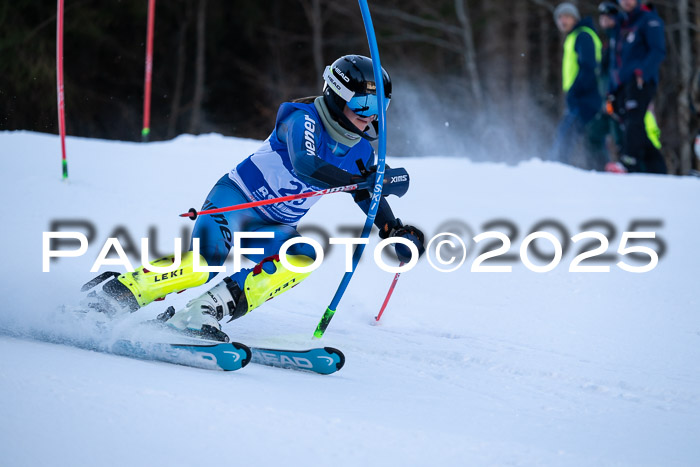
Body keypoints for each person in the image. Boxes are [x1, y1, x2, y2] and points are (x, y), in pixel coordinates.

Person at [82, 55, 425, 342]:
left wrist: (393, 230)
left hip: (275, 225)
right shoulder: (301, 118)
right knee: (206, 262)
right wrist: (359, 180)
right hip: (236, 204)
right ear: (337, 95)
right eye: (363, 102)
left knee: (303, 257)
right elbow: (305, 165)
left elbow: (369, 192)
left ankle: (203, 312)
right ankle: (115, 297)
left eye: (382, 104)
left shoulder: (362, 147)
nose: (372, 114)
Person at [608, 0, 667, 173]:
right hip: (623, 83)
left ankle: (628, 162)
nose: (627, 1)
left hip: (641, 80)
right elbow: (616, 58)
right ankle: (658, 168)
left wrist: (643, 72)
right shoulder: (623, 23)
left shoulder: (649, 20)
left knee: (634, 119)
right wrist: (613, 87)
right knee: (633, 125)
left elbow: (658, 50)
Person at [550, 3, 606, 170]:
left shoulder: (583, 36)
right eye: (559, 18)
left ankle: (557, 169)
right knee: (593, 140)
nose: (562, 21)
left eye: (566, 17)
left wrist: (575, 91)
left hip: (585, 96)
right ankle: (602, 171)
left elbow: (588, 66)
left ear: (575, 18)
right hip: (584, 95)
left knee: (565, 135)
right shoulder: (575, 36)